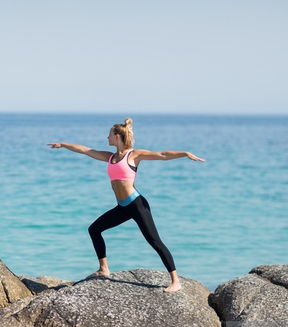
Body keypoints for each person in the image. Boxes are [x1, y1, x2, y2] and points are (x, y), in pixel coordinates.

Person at [47, 118, 205, 293]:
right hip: (122, 207)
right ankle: (104, 269)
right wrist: (63, 144)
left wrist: (185, 153)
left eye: (109, 135)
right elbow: (85, 150)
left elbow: (162, 155)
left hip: (137, 204)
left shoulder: (134, 155)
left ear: (117, 136)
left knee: (154, 241)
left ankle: (176, 281)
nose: (107, 137)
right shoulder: (110, 157)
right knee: (94, 229)